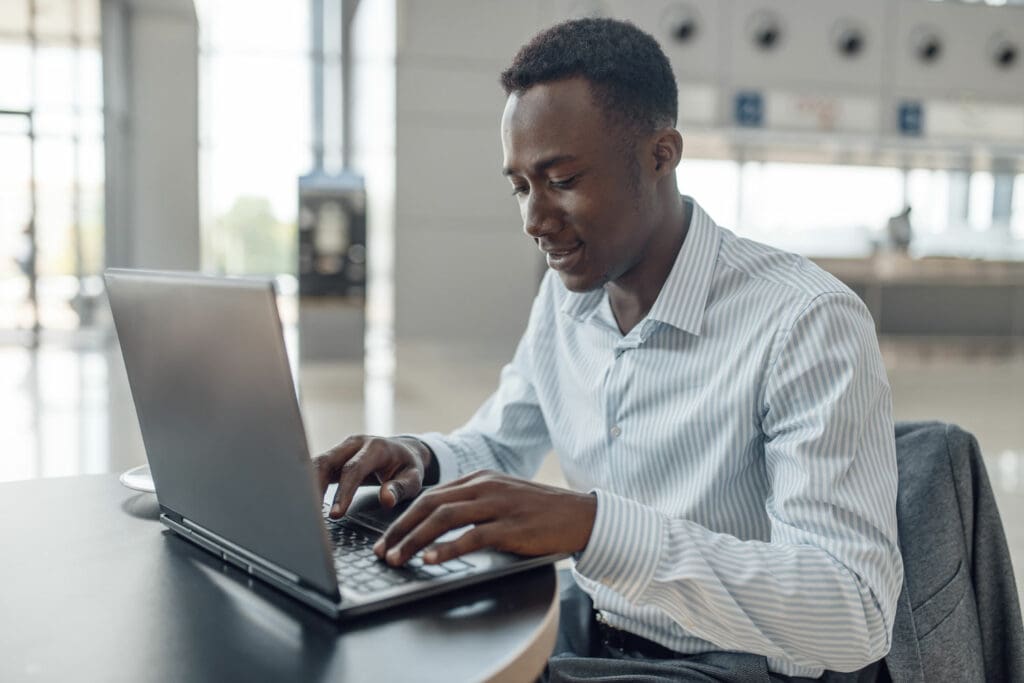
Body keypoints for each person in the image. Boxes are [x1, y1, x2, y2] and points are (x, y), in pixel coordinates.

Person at [314, 18, 903, 682]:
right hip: (593, 627)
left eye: (561, 179)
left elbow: (855, 612)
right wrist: (422, 458)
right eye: (521, 186)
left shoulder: (805, 321)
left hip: (730, 664)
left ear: (661, 154)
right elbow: (503, 444)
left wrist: (596, 528)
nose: (534, 220)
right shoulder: (569, 298)